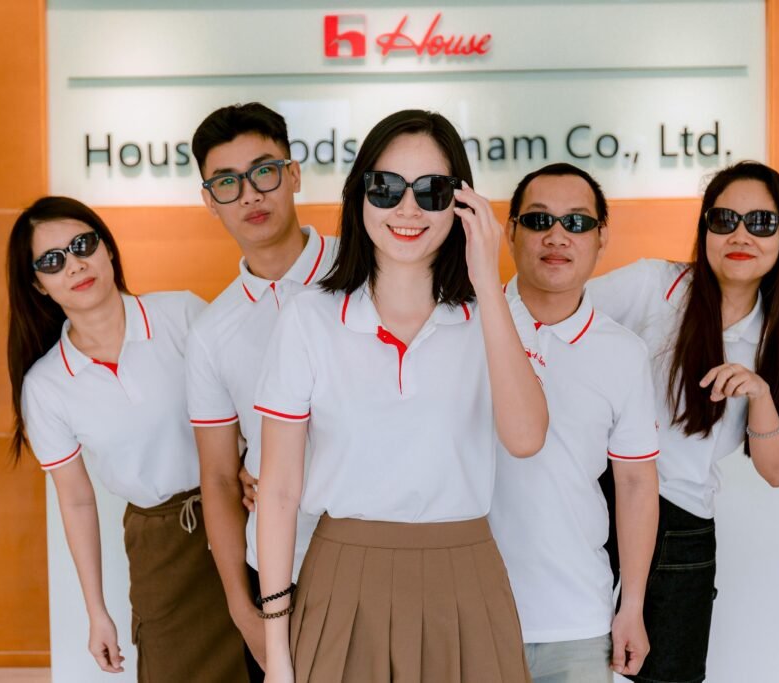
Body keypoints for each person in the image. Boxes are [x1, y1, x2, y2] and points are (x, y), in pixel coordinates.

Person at [253, 109, 548, 683]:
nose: (407, 209)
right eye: (386, 188)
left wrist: (488, 281)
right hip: (343, 578)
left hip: (466, 578)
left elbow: (526, 438)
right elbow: (280, 490)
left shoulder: (493, 314)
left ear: (461, 204)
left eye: (432, 191)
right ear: (359, 196)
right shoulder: (309, 318)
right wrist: (277, 647)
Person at [587, 161, 779, 683]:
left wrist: (759, 395)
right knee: (572, 670)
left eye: (761, 222)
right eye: (724, 219)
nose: (740, 235)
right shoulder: (654, 285)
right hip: (598, 501)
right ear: (705, 228)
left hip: (682, 529)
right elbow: (556, 310)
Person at [6, 196, 247, 681]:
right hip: (161, 544)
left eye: (83, 245)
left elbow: (251, 405)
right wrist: (96, 611)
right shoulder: (46, 385)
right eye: (53, 261)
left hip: (244, 511)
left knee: (275, 658)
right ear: (38, 284)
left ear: (108, 249)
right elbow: (75, 501)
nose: (75, 265)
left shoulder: (180, 314)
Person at [489, 163, 660, 683]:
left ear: (603, 237)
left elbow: (634, 483)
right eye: (539, 220)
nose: (557, 236)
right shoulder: (464, 324)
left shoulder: (624, 353)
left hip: (579, 618)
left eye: (578, 223)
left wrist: (631, 605)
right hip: (472, 611)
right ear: (510, 232)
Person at [185, 102, 338, 681]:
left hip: (381, 555)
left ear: (294, 175)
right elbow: (221, 478)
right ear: (210, 200)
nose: (249, 195)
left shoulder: (369, 272)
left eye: (263, 172)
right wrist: (242, 610)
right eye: (226, 182)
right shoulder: (211, 333)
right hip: (280, 573)